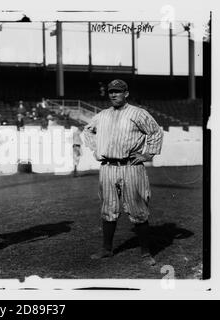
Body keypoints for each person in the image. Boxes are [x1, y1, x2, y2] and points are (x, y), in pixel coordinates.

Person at [82, 79, 163, 266]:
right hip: (108, 167)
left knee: (138, 209)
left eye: (118, 91)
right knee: (108, 209)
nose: (113, 94)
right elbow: (87, 131)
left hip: (131, 167)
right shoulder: (102, 115)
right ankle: (106, 250)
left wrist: (148, 154)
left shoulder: (138, 113)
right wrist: (96, 149)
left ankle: (145, 253)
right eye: (111, 91)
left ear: (126, 93)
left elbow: (156, 132)